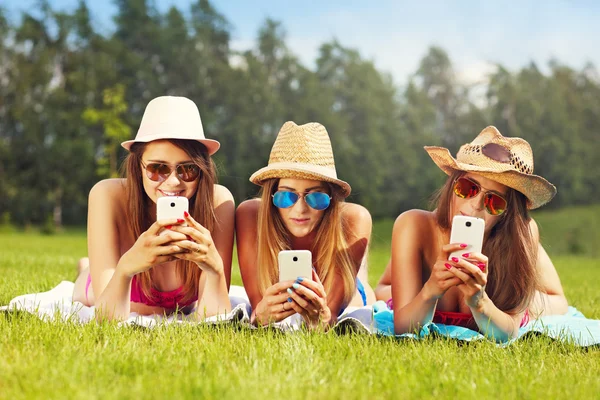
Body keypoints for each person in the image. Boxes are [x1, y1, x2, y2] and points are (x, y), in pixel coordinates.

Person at [374, 126, 568, 340]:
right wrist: (430, 290)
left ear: (507, 212)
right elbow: (404, 326)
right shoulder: (414, 224)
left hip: (510, 241)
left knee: (548, 302)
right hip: (414, 273)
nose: (475, 205)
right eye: (467, 188)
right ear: (452, 183)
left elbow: (509, 332)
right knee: (385, 291)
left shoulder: (522, 233)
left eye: (494, 202)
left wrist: (480, 302)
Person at [72, 96, 234, 321]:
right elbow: (106, 318)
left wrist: (215, 270)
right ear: (137, 167)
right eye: (158, 168)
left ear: (202, 170)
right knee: (86, 287)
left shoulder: (218, 202)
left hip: (180, 300)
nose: (173, 182)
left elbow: (214, 319)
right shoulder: (108, 195)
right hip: (105, 288)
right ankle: (86, 269)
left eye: (188, 169)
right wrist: (127, 267)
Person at [236, 121, 376, 330]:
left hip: (352, 293)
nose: (300, 209)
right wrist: (262, 315)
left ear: (331, 197)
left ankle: (371, 279)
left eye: (316, 196)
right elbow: (258, 311)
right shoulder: (250, 215)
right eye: (286, 196)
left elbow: (328, 320)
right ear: (272, 194)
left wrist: (321, 317)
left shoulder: (354, 218)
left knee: (365, 287)